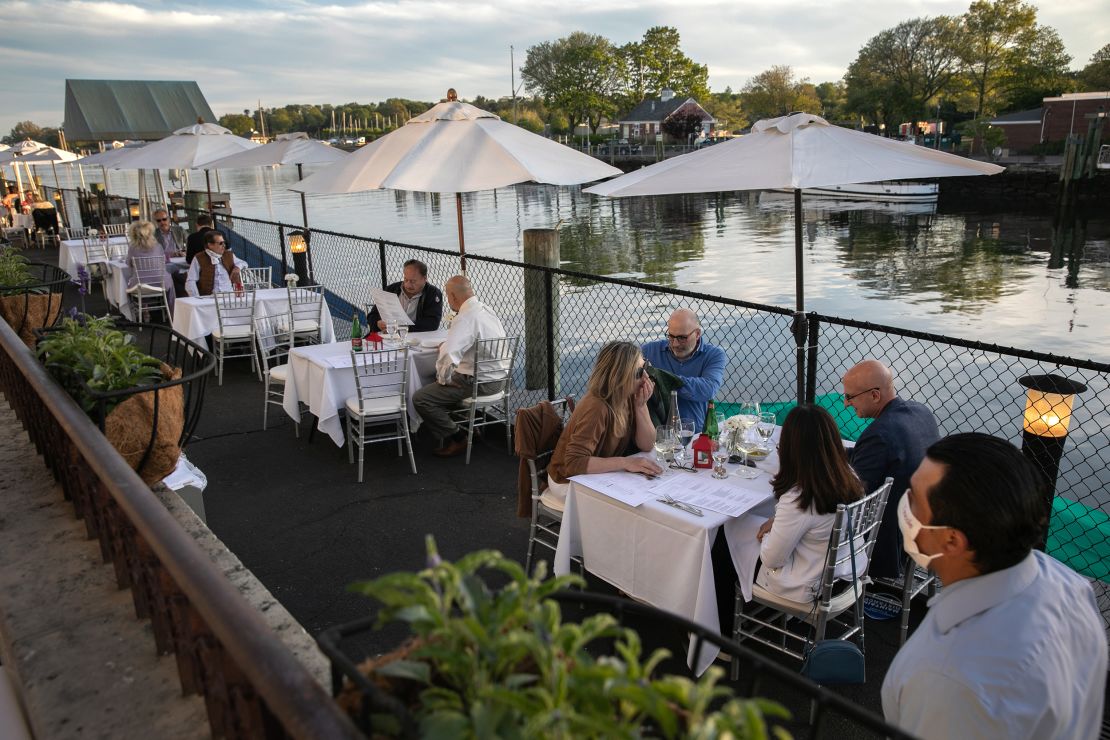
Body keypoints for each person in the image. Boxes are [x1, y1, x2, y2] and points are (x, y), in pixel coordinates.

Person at [881, 433, 1106, 739]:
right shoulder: (1069, 586)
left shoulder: (952, 683)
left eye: (914, 500)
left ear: (952, 540)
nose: (905, 506)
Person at [753, 404, 865, 602]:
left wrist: (770, 531)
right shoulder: (849, 475)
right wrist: (777, 519)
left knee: (736, 538)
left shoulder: (799, 498)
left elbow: (772, 559)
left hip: (808, 586)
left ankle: (721, 623)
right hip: (847, 572)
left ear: (790, 449)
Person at [842, 359, 939, 580]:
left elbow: (853, 495)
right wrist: (828, 452)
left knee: (802, 518)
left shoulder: (879, 433)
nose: (846, 404)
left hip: (887, 540)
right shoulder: (920, 412)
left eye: (849, 397)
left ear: (875, 395)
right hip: (925, 521)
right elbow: (875, 458)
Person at [543, 341, 663, 512]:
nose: (646, 377)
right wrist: (626, 463)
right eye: (638, 372)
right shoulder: (597, 407)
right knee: (631, 508)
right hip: (567, 480)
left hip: (598, 476)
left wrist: (640, 405)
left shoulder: (628, 396)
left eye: (646, 367)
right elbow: (573, 463)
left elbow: (647, 444)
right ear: (620, 376)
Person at [412, 275, 506, 458]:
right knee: (437, 385)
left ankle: (458, 436)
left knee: (421, 398)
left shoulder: (465, 318)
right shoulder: (487, 311)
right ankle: (467, 427)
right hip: (500, 379)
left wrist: (444, 379)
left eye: (448, 296)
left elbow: (449, 355)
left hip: (479, 383)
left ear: (453, 296)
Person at [640, 308, 726, 432]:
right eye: (671, 336)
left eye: (682, 338)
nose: (675, 343)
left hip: (694, 433)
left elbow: (708, 389)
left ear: (697, 334)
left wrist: (664, 379)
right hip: (656, 431)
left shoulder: (714, 355)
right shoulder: (649, 350)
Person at [366, 259, 443, 333]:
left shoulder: (433, 293)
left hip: (417, 339)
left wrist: (401, 328)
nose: (408, 285)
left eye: (413, 281)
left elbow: (432, 323)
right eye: (406, 279)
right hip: (388, 337)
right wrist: (377, 323)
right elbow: (372, 315)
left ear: (424, 279)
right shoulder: (392, 289)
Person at [125, 220, 175, 316]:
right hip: (161, 282)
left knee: (132, 283)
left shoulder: (132, 248)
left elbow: (129, 263)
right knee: (170, 281)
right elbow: (163, 261)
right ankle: (172, 312)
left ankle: (141, 311)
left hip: (140, 284)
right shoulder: (158, 246)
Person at [184, 230, 246, 297]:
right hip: (209, 298)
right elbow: (191, 281)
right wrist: (197, 298)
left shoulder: (228, 255)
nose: (224, 245)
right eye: (220, 243)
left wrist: (237, 267)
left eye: (224, 242)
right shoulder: (199, 258)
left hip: (229, 296)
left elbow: (243, 263)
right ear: (210, 245)